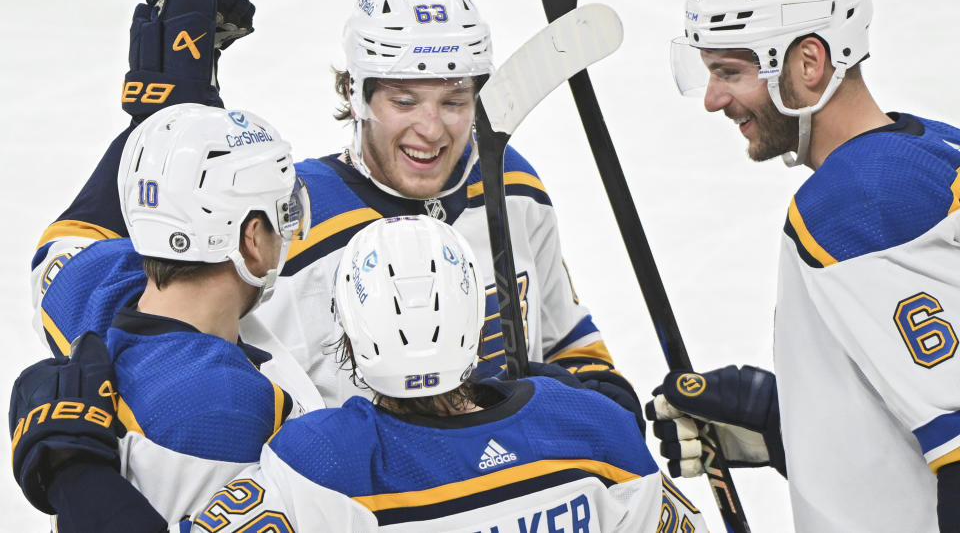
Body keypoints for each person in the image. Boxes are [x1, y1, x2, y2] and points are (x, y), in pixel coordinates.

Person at [32, 0, 643, 421]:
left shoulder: (513, 184)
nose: (432, 129)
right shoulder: (277, 217)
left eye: (455, 100)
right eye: (404, 100)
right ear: (356, 94)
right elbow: (141, 328)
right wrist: (158, 131)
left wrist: (605, 402)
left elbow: (566, 337)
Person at [12, 216, 707, 532]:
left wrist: (77, 472)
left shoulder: (326, 461)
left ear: (344, 334)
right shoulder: (592, 429)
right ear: (478, 320)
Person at [647, 0, 960, 532]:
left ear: (809, 62)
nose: (714, 99)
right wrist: (778, 421)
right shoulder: (930, 149)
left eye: (730, 72)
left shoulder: (855, 207)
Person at [15, 102, 317, 529]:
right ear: (251, 240)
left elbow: (66, 243)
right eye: (283, 215)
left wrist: (154, 118)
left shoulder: (85, 291)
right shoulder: (234, 409)